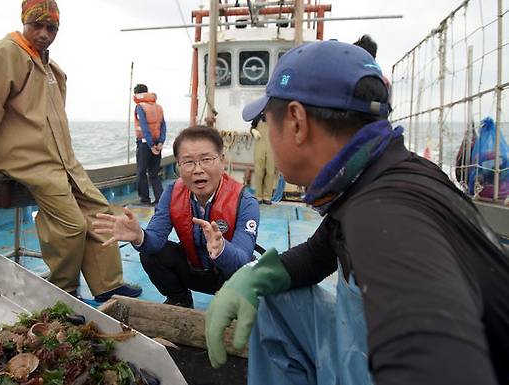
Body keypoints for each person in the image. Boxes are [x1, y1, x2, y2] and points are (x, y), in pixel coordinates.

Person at [205, 40, 509, 385]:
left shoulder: (386, 217)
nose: (265, 134)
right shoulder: (382, 175)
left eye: (264, 122)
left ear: (296, 121)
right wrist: (255, 276)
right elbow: (322, 249)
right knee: (272, 299)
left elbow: (439, 359)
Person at [0, 0, 141, 303]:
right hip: (28, 160)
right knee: (70, 225)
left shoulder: (51, 68)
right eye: (37, 25)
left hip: (62, 160)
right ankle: (64, 291)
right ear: (24, 21)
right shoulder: (5, 52)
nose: (45, 34)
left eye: (52, 28)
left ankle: (107, 284)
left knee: (101, 212)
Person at [93, 126, 260, 308]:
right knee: (151, 254)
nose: (198, 169)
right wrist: (139, 236)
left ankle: (234, 306)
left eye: (206, 159)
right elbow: (155, 240)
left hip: (229, 276)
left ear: (222, 161)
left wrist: (221, 249)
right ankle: (179, 298)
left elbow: (242, 262)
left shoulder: (246, 201)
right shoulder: (172, 192)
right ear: (178, 167)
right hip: (193, 270)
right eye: (188, 162)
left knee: (250, 273)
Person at [133, 83, 167, 205]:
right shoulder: (159, 107)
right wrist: (160, 142)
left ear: (137, 94)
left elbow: (144, 126)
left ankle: (145, 200)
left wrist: (151, 145)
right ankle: (161, 199)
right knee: (154, 173)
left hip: (145, 144)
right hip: (158, 144)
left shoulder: (139, 107)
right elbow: (163, 126)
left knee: (141, 172)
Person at [250, 113, 276, 204]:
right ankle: (258, 197)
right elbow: (252, 128)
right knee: (259, 171)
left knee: (270, 172)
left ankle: (267, 197)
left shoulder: (275, 116)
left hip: (272, 146)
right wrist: (253, 131)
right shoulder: (257, 116)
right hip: (260, 144)